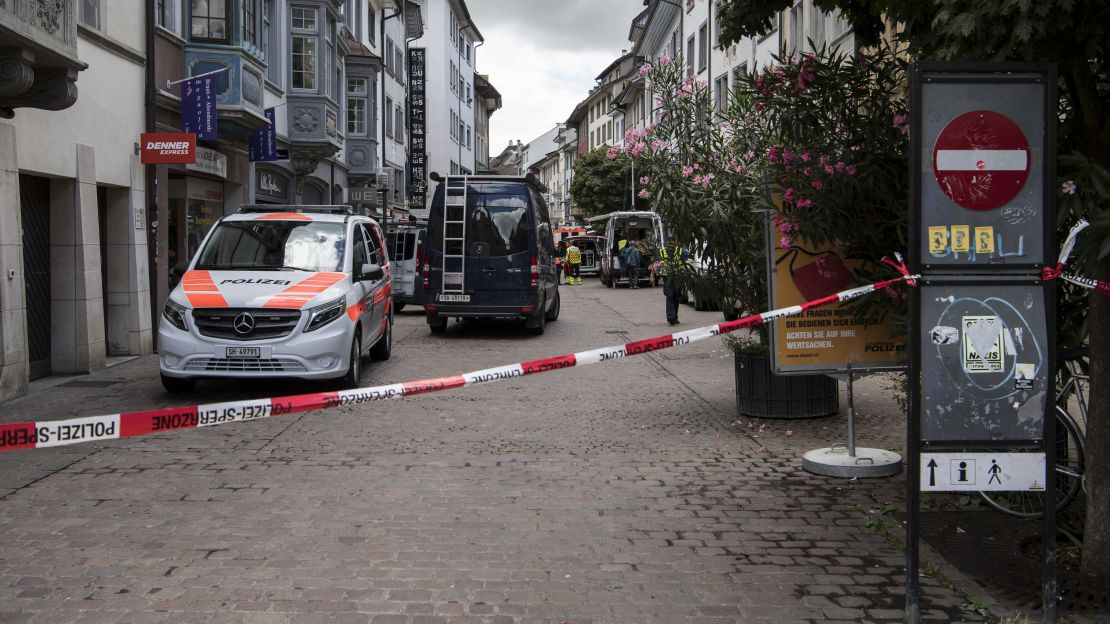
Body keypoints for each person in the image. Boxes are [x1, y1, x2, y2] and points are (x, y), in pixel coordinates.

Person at [658, 236, 687, 325]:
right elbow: (685, 261)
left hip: (668, 277)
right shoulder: (680, 250)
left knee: (671, 296)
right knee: (674, 296)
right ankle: (672, 317)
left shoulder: (662, 251)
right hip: (676, 276)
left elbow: (657, 263)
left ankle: (672, 317)